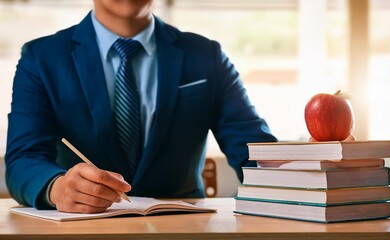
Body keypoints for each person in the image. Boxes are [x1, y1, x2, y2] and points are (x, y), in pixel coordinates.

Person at [5, 0, 276, 213]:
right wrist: (57, 187)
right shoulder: (41, 59)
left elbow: (253, 151)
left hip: (184, 229)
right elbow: (23, 159)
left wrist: (304, 171)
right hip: (83, 228)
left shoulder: (206, 56)